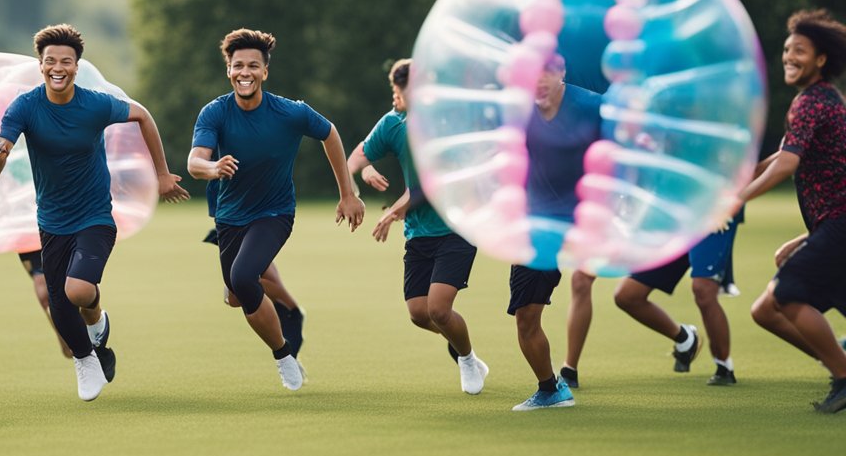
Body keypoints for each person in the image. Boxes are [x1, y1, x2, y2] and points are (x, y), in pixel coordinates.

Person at [0, 24, 188, 401]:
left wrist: (161, 173)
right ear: (40, 65)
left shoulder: (94, 103)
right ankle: (87, 357)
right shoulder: (25, 106)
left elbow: (142, 115)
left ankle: (96, 324)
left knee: (76, 289)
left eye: (66, 61)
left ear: (77, 65)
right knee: (59, 304)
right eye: (50, 61)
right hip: (52, 221)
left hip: (94, 216)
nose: (58, 67)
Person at [188, 28, 365, 391]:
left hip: (275, 213)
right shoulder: (215, 112)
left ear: (265, 72)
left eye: (253, 66)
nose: (245, 72)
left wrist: (347, 193)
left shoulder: (290, 112)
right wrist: (213, 168)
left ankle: (284, 356)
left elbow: (329, 133)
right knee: (235, 297)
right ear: (229, 71)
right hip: (229, 215)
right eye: (238, 66)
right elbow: (194, 162)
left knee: (242, 277)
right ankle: (287, 303)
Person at [347, 59, 488, 394]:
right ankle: (468, 351)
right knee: (418, 313)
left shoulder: (447, 125)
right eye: (396, 91)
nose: (397, 97)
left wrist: (393, 212)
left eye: (402, 91)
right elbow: (353, 159)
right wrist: (364, 170)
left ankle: (466, 359)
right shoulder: (393, 124)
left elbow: (432, 184)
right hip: (419, 233)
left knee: (439, 308)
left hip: (456, 227)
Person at [737, 8, 846, 413]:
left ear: (821, 60)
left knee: (787, 293)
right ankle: (839, 363)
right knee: (765, 310)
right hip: (830, 226)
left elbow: (786, 165)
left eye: (799, 49)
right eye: (786, 49)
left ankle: (843, 375)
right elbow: (778, 155)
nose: (789, 56)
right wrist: (740, 177)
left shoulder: (813, 102)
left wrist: (737, 198)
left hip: (838, 225)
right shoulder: (818, 100)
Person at [506, 54, 601, 410]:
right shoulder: (518, 114)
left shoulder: (593, 107)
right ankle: (551, 388)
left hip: (585, 220)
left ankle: (562, 378)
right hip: (537, 225)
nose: (539, 80)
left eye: (548, 71)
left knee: (583, 283)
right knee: (525, 316)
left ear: (562, 71)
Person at [613, 210, 744, 386]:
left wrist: (727, 202)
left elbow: (744, 181)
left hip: (714, 213)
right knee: (627, 295)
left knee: (703, 289)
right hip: (676, 214)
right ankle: (685, 338)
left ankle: (724, 367)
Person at [204, 172, 306, 346]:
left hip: (259, 196)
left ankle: (290, 313)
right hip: (225, 194)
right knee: (234, 298)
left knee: (243, 282)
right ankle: (290, 308)